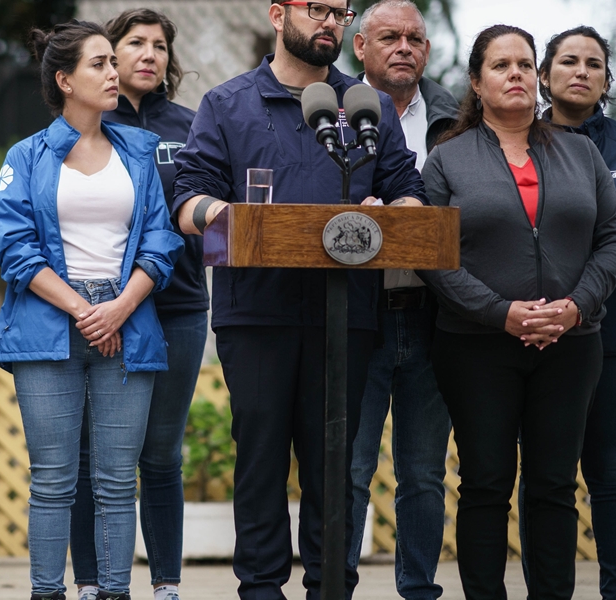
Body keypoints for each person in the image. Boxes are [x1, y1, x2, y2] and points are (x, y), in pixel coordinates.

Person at [172, 1, 427, 597]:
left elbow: (408, 190)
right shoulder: (229, 103)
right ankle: (261, 588)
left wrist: (393, 216)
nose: (331, 21)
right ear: (277, 14)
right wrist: (225, 216)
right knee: (260, 460)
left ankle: (331, 587)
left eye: (341, 11)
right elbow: (188, 196)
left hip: (348, 316)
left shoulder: (366, 107)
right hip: (256, 312)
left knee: (333, 464)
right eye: (317, 9)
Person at [416, 24, 616, 600]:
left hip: (572, 343)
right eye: (501, 65)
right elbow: (433, 258)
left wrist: (576, 307)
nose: (516, 74)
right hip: (475, 346)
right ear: (477, 82)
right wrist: (501, 312)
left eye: (524, 65)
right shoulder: (446, 160)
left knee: (555, 485)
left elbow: (614, 241)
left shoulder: (581, 152)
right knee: (485, 482)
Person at [0, 20, 183, 600]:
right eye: (99, 64)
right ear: (65, 79)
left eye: (111, 63)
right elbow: (12, 247)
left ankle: (114, 593)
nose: (114, 72)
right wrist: (83, 310)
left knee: (119, 481)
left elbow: (160, 241)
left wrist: (118, 309)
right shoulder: (26, 155)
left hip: (127, 325)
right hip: (49, 328)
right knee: (53, 481)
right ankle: (47, 592)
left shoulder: (140, 150)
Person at [530, 26, 616, 600]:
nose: (581, 71)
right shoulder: (522, 141)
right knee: (547, 476)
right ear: (545, 75)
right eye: (568, 61)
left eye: (594, 63)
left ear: (607, 80)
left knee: (613, 471)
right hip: (542, 332)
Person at [68, 9, 203, 600]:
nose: (149, 55)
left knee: (161, 453)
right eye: (134, 44)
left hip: (177, 309)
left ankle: (166, 585)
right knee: (92, 456)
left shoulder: (194, 126)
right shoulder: (83, 125)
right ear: (108, 54)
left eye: (160, 46)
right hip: (97, 315)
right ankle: (95, 583)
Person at [346, 2, 457, 597]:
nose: (403, 47)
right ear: (360, 46)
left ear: (428, 52)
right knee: (349, 471)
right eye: (389, 36)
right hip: (355, 316)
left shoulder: (457, 118)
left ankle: (419, 591)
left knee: (422, 475)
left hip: (433, 313)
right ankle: (335, 588)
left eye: (415, 37)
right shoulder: (331, 110)